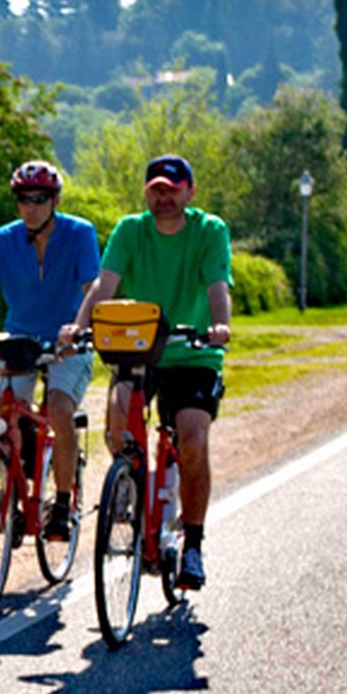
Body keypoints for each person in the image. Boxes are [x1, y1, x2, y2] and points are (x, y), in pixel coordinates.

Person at [62, 152, 232, 588]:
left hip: (191, 353)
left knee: (192, 438)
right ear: (146, 193)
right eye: (156, 190)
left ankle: (192, 543)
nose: (164, 199)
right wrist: (79, 328)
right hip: (138, 348)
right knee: (119, 417)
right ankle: (129, 489)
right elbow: (105, 285)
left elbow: (217, 284)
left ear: (189, 193)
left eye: (173, 191)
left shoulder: (209, 231)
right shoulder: (130, 230)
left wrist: (219, 325)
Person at [0, 159, 101, 540]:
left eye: (39, 198)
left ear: (54, 199)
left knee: (60, 409)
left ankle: (61, 505)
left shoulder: (79, 234)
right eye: (23, 199)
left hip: (66, 341)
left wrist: (78, 328)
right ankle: (9, 495)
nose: (30, 206)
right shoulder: (3, 239)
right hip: (19, 340)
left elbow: (93, 286)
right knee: (4, 416)